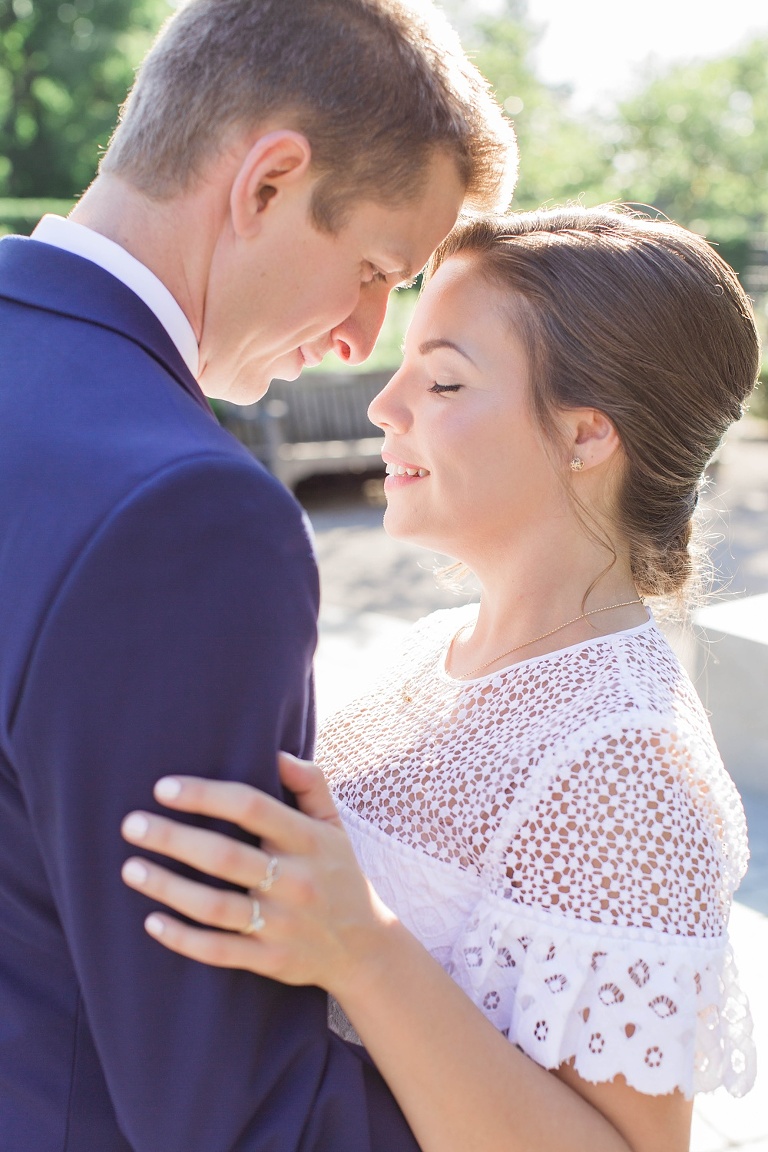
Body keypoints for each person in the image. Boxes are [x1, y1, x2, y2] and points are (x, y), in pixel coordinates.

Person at [121, 206, 759, 1152]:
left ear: (587, 436)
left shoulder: (628, 765)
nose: (386, 405)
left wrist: (365, 951)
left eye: (445, 378)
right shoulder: (434, 648)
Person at [0, 0, 517, 1148]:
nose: (361, 338)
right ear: (268, 182)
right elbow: (229, 1110)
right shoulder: (183, 516)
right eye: (377, 269)